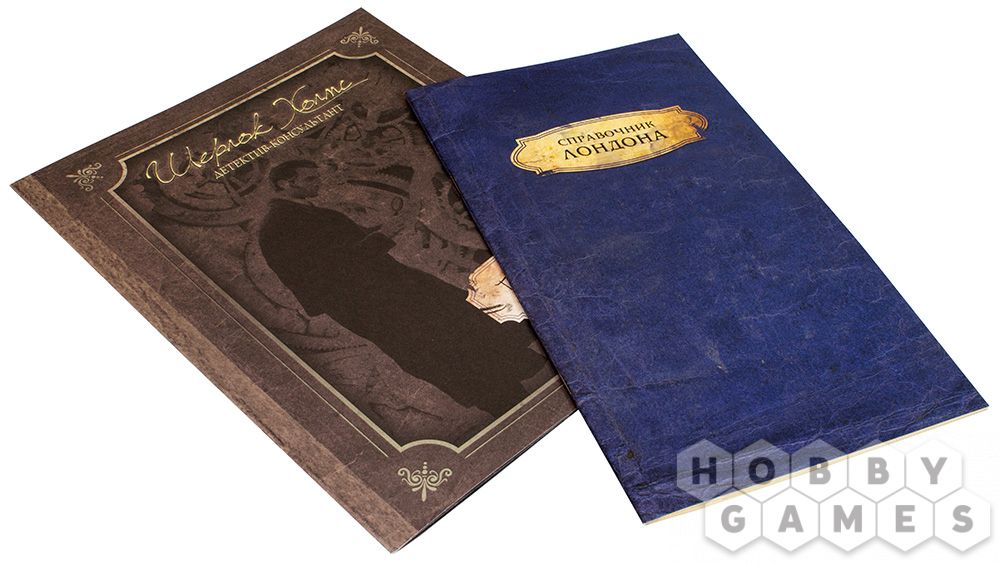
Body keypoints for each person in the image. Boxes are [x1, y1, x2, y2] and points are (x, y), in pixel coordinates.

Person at [257, 160, 546, 417]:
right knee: (430, 347)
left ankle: (509, 385)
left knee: (453, 329)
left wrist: (386, 229)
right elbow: (330, 272)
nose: (318, 183)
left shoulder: (301, 214)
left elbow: (342, 249)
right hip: (373, 305)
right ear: (285, 184)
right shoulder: (280, 226)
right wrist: (386, 234)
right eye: (309, 179)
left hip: (391, 290)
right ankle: (502, 400)